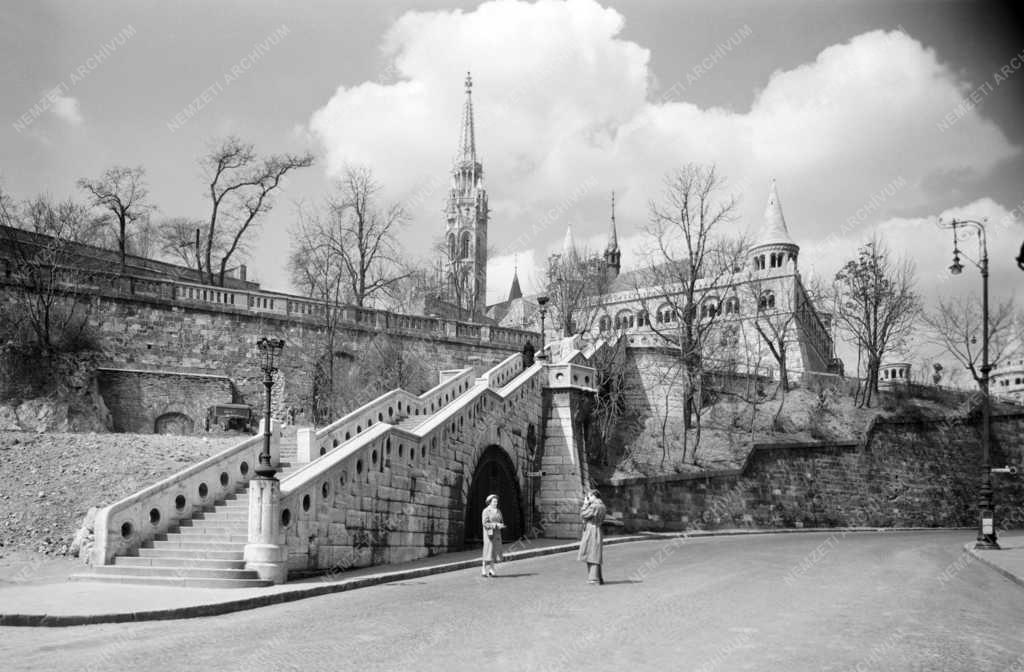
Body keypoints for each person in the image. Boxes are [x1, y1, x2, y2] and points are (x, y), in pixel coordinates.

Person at [578, 489, 606, 584]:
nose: (588, 498)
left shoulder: (594, 506)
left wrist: (585, 504)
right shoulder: (602, 505)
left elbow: (583, 515)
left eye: (589, 496)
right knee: (595, 553)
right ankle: (598, 577)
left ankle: (594, 578)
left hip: (591, 530)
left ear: (594, 496)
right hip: (598, 529)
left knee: (592, 553)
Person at [481, 494, 505, 577]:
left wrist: (501, 525)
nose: (496, 503)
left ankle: (492, 569)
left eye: (496, 501)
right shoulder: (486, 511)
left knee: (494, 552)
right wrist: (495, 525)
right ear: (490, 502)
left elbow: (501, 521)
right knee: (488, 551)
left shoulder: (498, 511)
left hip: (497, 534)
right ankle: (483, 568)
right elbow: (485, 523)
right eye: (494, 501)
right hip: (489, 534)